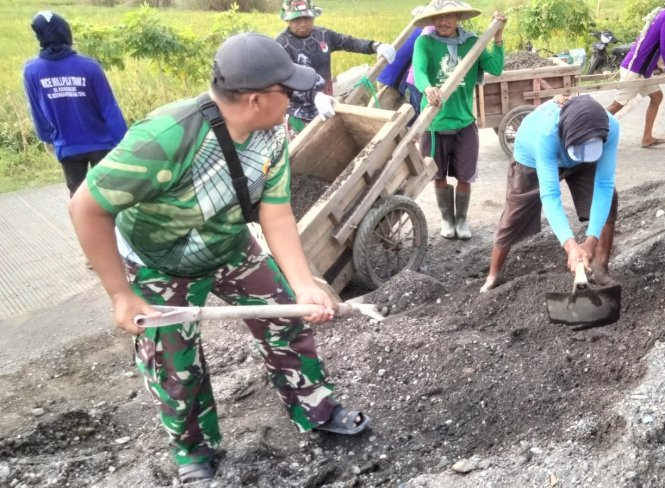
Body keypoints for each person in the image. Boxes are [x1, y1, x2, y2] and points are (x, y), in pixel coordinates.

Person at [68, 33, 370, 484]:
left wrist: (303, 282)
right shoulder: (166, 137)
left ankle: (315, 406)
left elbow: (276, 210)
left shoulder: (271, 133)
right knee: (175, 365)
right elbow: (86, 206)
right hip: (159, 263)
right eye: (286, 91)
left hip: (230, 248)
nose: (292, 98)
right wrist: (120, 294)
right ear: (254, 100)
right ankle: (194, 451)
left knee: (286, 319)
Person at [480, 95, 619, 293]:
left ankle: (600, 269)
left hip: (580, 153)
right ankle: (493, 275)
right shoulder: (547, 134)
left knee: (609, 199)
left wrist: (590, 241)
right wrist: (570, 245)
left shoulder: (610, 127)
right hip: (530, 157)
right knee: (514, 215)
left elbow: (604, 185)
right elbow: (550, 194)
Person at [412, 0, 506, 240]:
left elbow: (495, 68)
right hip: (433, 122)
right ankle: (447, 219)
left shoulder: (471, 43)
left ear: (458, 18)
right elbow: (420, 71)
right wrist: (427, 88)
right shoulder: (425, 43)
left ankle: (462, 220)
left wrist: (497, 37)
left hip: (463, 121)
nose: (443, 22)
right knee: (438, 174)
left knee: (465, 175)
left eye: (449, 17)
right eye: (438, 18)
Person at [23, 11, 126, 197]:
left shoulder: (32, 70)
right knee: (108, 195)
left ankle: (83, 227)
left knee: (79, 198)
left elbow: (36, 110)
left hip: (67, 145)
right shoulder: (90, 66)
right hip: (102, 143)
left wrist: (49, 136)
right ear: (65, 32)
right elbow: (109, 107)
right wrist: (124, 141)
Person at [276, 0, 397, 132]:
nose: (303, 23)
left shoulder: (323, 35)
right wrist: (314, 96)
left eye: (306, 18)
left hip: (328, 103)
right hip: (299, 113)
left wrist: (375, 46)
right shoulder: (282, 45)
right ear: (287, 20)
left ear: (313, 16)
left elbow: (349, 42)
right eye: (297, 19)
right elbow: (286, 82)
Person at [607, 0, 665, 148]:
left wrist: (654, 64)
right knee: (617, 105)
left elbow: (648, 40)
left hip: (643, 70)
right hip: (635, 69)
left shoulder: (662, 12)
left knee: (657, 97)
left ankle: (647, 138)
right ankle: (585, 132)